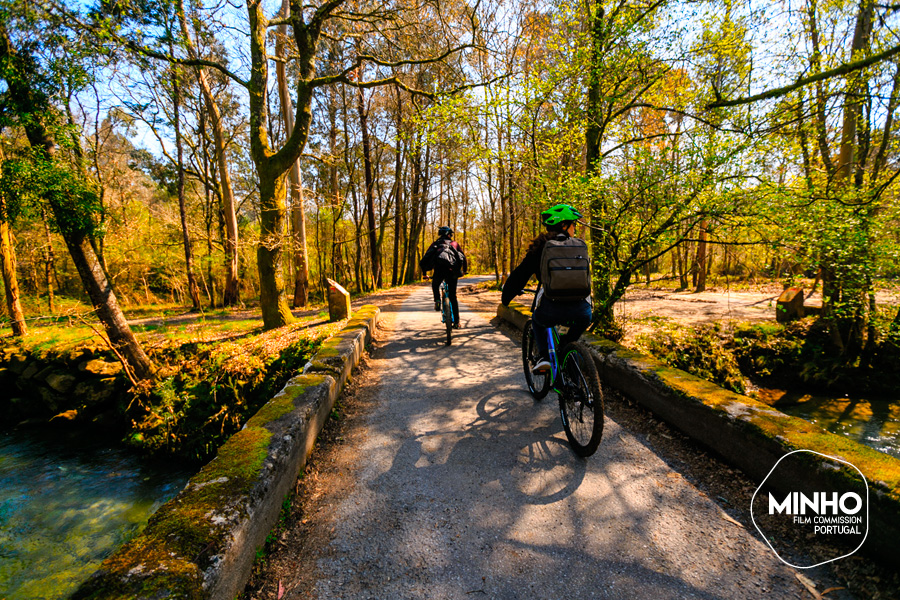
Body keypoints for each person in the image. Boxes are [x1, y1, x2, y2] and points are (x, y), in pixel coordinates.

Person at [501, 204, 592, 372]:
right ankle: (574, 377)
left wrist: (506, 297)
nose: (575, 228)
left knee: (537, 320)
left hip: (551, 308)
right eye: (573, 224)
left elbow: (520, 275)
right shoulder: (579, 246)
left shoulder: (541, 247)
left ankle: (543, 357)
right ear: (564, 226)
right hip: (583, 311)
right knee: (568, 343)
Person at [420, 226, 468, 329]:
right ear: (449, 234)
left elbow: (425, 258)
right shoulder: (454, 244)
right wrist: (464, 271)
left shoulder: (436, 244)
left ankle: (437, 300)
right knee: (453, 297)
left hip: (439, 271)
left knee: (435, 284)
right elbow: (463, 257)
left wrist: (424, 273)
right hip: (452, 272)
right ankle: (457, 322)